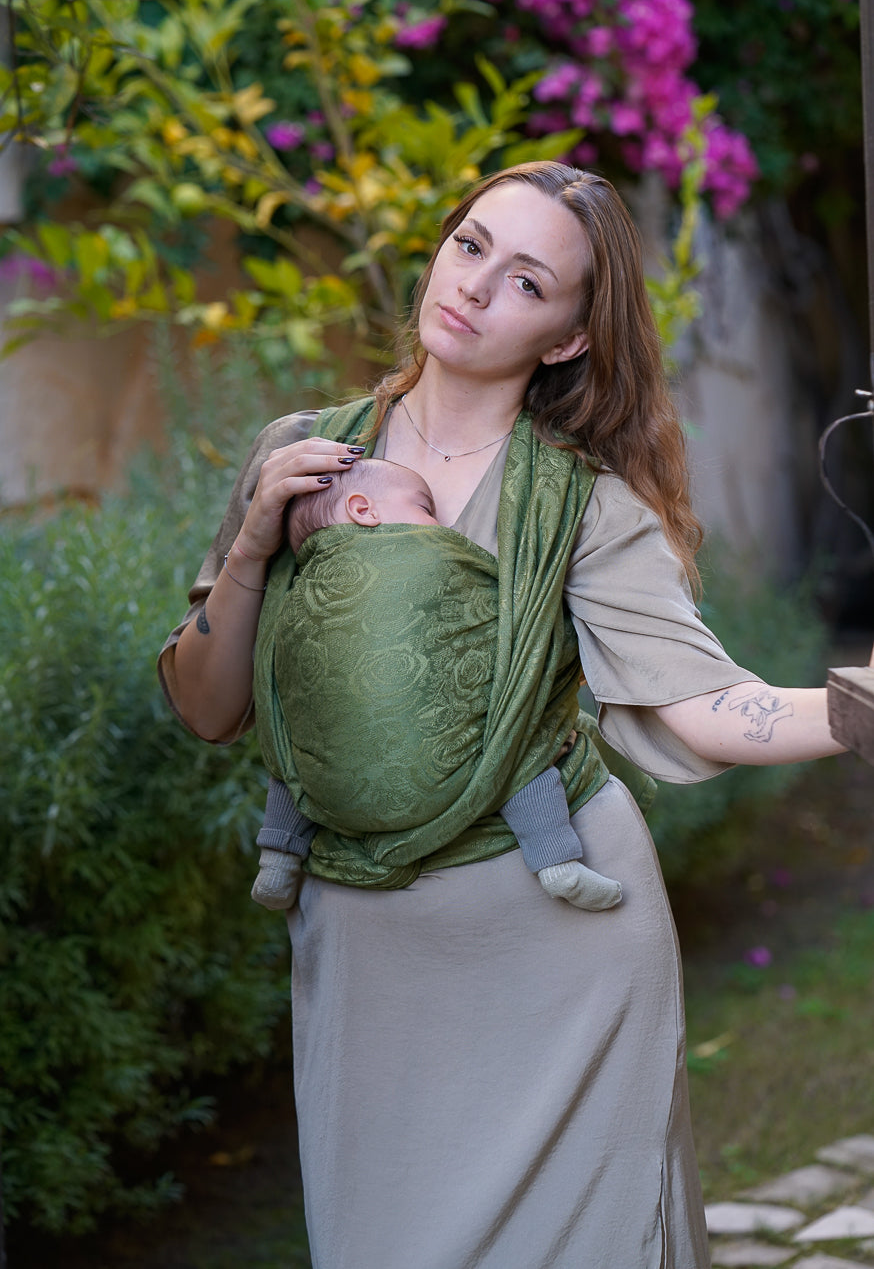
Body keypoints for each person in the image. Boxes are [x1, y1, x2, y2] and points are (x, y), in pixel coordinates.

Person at [159, 161, 867, 1269]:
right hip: (365, 953)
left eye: (528, 281)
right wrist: (254, 542)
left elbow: (701, 705)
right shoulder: (303, 453)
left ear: (569, 339)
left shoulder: (584, 503)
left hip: (556, 945)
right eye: (471, 245)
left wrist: (855, 707)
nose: (477, 286)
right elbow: (209, 708)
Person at [250, 456, 623, 913]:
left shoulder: (294, 594)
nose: (441, 526)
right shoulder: (428, 555)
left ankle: (277, 860)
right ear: (363, 510)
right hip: (442, 775)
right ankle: (555, 861)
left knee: (297, 752)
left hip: (332, 799)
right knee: (516, 737)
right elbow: (511, 619)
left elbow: (276, 676)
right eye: (425, 508)